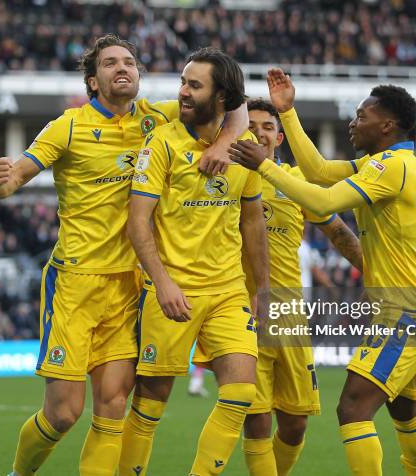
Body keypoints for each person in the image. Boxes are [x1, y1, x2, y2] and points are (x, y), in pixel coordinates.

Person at [0, 34, 247, 476]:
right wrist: (1, 183)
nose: (122, 67)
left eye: (129, 61)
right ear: (93, 80)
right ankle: (19, 472)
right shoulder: (67, 126)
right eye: (110, 63)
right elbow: (16, 178)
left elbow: (235, 103)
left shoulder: (157, 117)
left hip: (130, 286)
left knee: (112, 408)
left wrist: (223, 145)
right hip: (76, 283)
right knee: (63, 414)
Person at [230, 68, 416, 476]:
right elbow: (320, 172)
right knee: (405, 407)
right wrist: (287, 113)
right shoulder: (385, 163)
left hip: (405, 308)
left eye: (361, 116)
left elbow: (324, 200)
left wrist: (265, 166)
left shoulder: (389, 169)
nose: (353, 122)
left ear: (387, 125)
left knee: (353, 408)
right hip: (415, 303)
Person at [121, 47, 269, 476]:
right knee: (150, 400)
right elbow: (138, 222)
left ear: (220, 97)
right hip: (173, 289)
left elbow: (253, 224)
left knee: (241, 392)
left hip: (227, 291)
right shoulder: (163, 141)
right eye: (183, 83)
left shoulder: (245, 151)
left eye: (193, 85)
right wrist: (162, 283)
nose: (182, 92)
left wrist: (262, 289)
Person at [242, 99, 362, 476]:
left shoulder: (294, 180)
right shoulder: (224, 176)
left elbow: (339, 233)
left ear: (279, 137)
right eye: (251, 124)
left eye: (266, 126)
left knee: (295, 424)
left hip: (289, 316)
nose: (258, 131)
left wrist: (380, 275)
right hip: (241, 310)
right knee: (257, 421)